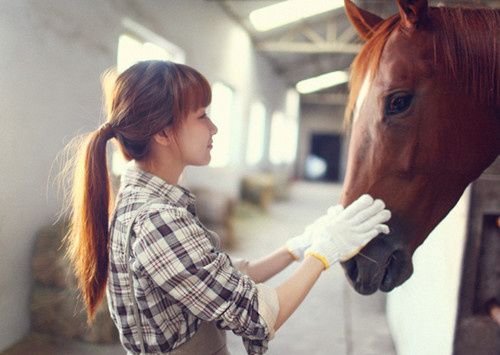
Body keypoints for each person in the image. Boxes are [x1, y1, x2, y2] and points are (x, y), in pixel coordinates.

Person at [64, 60, 391, 355]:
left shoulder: (155, 202)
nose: (214, 128)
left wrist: (298, 246)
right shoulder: (157, 220)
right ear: (163, 132)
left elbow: (221, 279)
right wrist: (322, 254)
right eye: (202, 115)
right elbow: (260, 315)